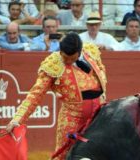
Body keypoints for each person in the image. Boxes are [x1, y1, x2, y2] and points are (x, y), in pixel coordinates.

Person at [6, 32, 107, 160]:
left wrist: (103, 95)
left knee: (101, 151)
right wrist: (17, 119)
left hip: (99, 114)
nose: (69, 62)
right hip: (72, 117)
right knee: (62, 154)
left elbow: (101, 72)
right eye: (65, 58)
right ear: (60, 51)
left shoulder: (91, 52)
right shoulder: (53, 64)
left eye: (73, 59)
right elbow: (35, 94)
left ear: (80, 51)